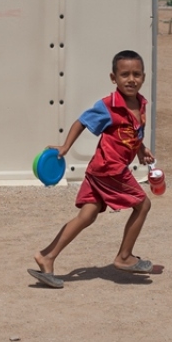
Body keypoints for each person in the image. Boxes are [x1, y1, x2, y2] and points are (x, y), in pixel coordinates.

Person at [29, 50, 155, 289]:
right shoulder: (109, 106)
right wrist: (65, 147)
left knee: (87, 215)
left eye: (136, 74)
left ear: (144, 77)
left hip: (99, 170)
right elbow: (82, 122)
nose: (131, 79)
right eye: (125, 74)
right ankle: (125, 257)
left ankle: (47, 256)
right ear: (113, 77)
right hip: (110, 169)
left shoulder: (140, 103)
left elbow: (132, 134)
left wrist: (141, 150)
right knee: (143, 204)